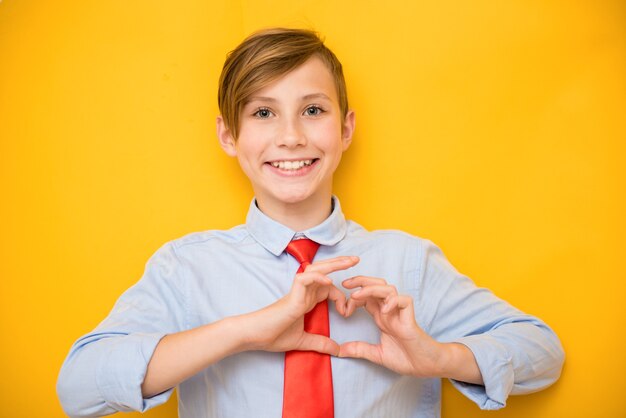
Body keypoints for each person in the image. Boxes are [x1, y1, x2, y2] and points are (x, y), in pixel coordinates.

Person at [57, 27, 564, 418]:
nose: (291, 137)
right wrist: (242, 332)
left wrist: (439, 358)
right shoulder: (185, 268)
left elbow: (542, 351)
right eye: (262, 113)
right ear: (228, 135)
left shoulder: (409, 262)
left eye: (313, 109)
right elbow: (77, 388)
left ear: (345, 129)